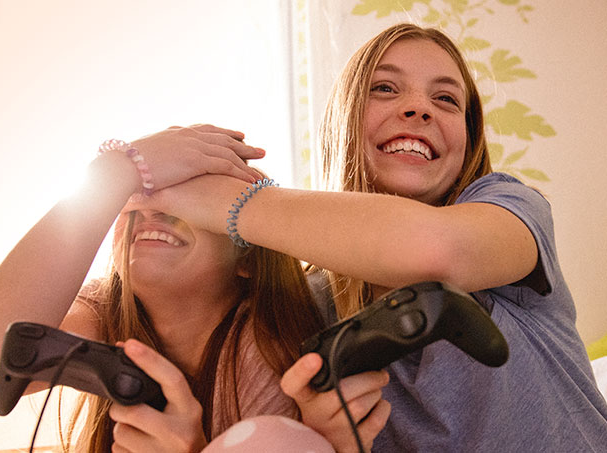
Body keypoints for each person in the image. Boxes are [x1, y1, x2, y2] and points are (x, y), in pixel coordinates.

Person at [137, 24, 607, 451]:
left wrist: (221, 198)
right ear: (344, 121)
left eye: (446, 100)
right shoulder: (302, 304)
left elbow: (434, 250)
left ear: (467, 140)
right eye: (384, 88)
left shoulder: (509, 209)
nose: (420, 107)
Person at [0, 125, 391, 452]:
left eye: (185, 198)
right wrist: (115, 173)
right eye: (139, 197)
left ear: (248, 260)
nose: (152, 208)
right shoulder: (107, 312)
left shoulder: (271, 346)